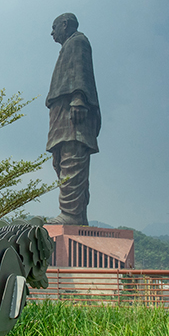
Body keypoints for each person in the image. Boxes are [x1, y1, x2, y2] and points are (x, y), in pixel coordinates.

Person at [46, 13, 100, 225]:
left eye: (54, 27)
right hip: (61, 113)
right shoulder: (68, 46)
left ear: (65, 25)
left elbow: (82, 72)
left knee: (72, 156)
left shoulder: (78, 42)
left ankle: (71, 213)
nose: (52, 33)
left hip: (73, 112)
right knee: (61, 159)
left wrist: (79, 98)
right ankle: (76, 215)